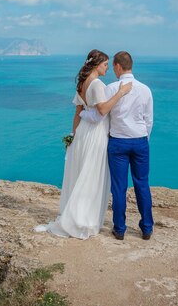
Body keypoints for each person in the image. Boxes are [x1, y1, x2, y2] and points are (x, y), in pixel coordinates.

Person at [35, 49, 132, 239]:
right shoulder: (96, 84)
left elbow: (78, 112)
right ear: (97, 64)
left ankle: (78, 214)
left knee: (82, 172)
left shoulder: (81, 83)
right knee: (92, 175)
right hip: (96, 134)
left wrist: (73, 135)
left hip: (83, 132)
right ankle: (84, 219)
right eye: (105, 64)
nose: (107, 68)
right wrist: (120, 93)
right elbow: (103, 110)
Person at [80, 51, 154, 240]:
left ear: (118, 66)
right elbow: (149, 120)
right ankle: (146, 228)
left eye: (113, 66)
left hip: (118, 142)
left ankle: (119, 229)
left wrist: (82, 116)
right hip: (139, 141)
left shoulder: (111, 88)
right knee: (142, 185)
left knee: (119, 187)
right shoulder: (145, 89)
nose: (112, 69)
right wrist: (143, 139)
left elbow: (102, 115)